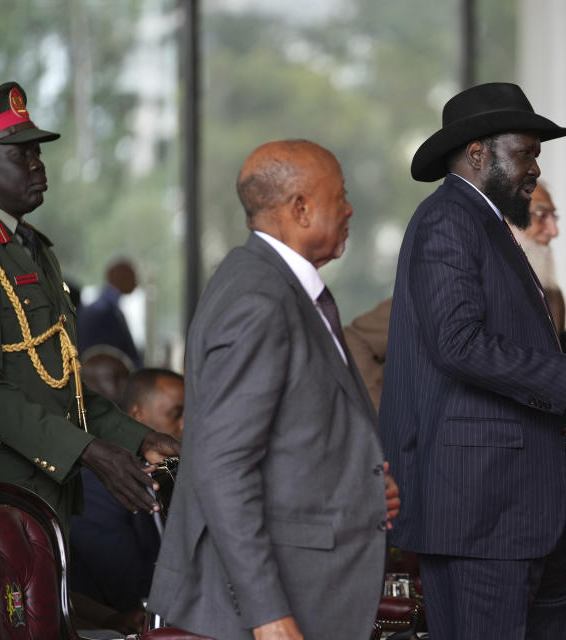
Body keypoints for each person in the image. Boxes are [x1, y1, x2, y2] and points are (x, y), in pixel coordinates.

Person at [379, 82, 566, 639]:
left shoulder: (488, 225)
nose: (534, 167)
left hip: (523, 517)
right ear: (478, 152)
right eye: (525, 152)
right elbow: (458, 343)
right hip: (479, 515)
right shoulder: (447, 221)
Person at [148, 140, 400, 640]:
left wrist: (363, 489)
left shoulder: (274, 286)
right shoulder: (259, 299)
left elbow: (293, 435)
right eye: (340, 195)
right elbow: (222, 466)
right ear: (300, 208)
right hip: (271, 605)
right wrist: (267, 614)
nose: (350, 208)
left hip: (311, 587)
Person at [0, 81, 179, 532]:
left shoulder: (31, 246)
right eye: (20, 154)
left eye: (37, 153)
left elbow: (62, 388)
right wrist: (88, 452)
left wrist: (140, 439)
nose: (38, 164)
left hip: (44, 491)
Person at [71, 368, 184, 615]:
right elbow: (127, 588)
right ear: (137, 416)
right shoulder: (100, 487)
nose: (186, 424)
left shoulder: (170, 478)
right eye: (177, 414)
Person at [510, 181, 565, 332]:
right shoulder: (480, 286)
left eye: (554, 216)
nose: (554, 231)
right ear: (506, 220)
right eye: (541, 215)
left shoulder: (554, 296)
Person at [77, 257, 141, 365]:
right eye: (132, 276)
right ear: (118, 276)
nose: (136, 282)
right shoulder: (103, 313)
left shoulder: (104, 310)